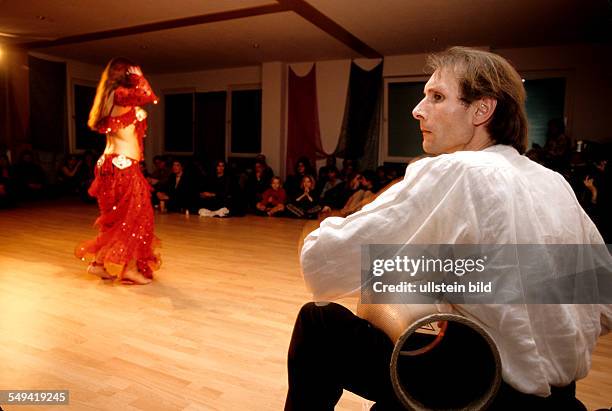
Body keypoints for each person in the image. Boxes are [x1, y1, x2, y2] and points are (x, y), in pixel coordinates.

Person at [285, 47, 611, 410]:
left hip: (482, 391)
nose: (417, 110)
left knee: (318, 322)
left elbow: (322, 261)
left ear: (481, 110)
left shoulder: (457, 170)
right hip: (560, 397)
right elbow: (605, 307)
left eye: (436, 96)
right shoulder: (554, 182)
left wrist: (328, 227)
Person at [75, 57, 160, 285]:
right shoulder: (122, 95)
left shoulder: (108, 99)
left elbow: (132, 117)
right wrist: (139, 76)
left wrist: (137, 114)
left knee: (115, 218)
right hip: (122, 166)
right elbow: (147, 94)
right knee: (135, 217)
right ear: (125, 76)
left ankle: (99, 264)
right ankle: (130, 269)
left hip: (107, 164)